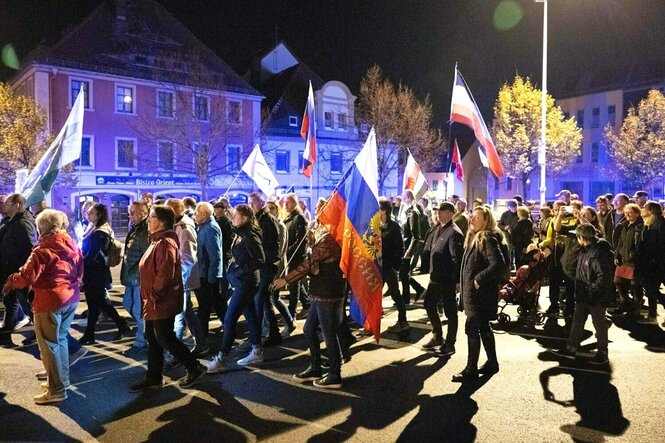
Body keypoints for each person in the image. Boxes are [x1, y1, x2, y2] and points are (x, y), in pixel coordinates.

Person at [2, 210, 83, 404]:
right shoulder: (70, 243)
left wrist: (10, 282)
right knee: (60, 341)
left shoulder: (42, 249)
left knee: (49, 345)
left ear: (43, 227)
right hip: (70, 298)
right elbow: (80, 271)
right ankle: (60, 381)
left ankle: (57, 389)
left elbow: (27, 276)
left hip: (49, 301)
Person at [129, 205, 206, 392]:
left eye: (152, 217)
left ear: (162, 221)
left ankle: (194, 366)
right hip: (153, 300)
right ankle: (154, 377)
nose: (149, 220)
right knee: (153, 337)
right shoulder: (158, 240)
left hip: (160, 301)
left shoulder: (165, 243)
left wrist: (154, 294)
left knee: (164, 337)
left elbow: (165, 272)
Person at [271, 221, 346, 389]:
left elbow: (308, 263)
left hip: (328, 292)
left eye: (321, 213)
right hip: (320, 292)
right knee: (308, 329)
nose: (317, 218)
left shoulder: (330, 240)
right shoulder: (323, 237)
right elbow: (312, 261)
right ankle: (315, 367)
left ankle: (335, 374)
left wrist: (286, 279)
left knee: (329, 334)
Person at [206, 204, 265, 372]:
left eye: (235, 216)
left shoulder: (250, 235)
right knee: (251, 315)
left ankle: (221, 359)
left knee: (229, 319)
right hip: (241, 281)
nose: (232, 218)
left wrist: (239, 270)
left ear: (244, 218)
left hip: (246, 283)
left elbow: (259, 260)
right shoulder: (240, 232)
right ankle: (257, 351)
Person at [453, 206, 505, 382]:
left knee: (472, 328)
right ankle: (492, 362)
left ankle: (471, 369)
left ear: (486, 220)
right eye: (471, 217)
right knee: (483, 327)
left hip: (480, 295)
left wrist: (478, 280)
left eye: (476, 217)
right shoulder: (474, 237)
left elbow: (498, 264)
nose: (471, 220)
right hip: (475, 293)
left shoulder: (487, 238)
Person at [550, 224, 614, 365]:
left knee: (599, 325)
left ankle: (602, 353)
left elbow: (603, 277)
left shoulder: (596, 254)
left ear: (581, 238)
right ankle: (571, 349)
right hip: (583, 294)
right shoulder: (586, 250)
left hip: (595, 297)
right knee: (577, 322)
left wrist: (591, 290)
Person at [79, 204, 130, 344]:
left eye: (91, 213)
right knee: (97, 304)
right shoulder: (97, 229)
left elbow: (91, 255)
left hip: (95, 273)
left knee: (97, 303)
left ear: (99, 215)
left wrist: (78, 265)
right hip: (96, 272)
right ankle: (117, 326)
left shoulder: (100, 233)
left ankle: (118, 325)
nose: (88, 215)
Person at [422, 202, 464, 356]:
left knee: (450, 312)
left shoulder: (454, 232)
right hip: (436, 276)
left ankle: (450, 343)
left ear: (451, 213)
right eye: (438, 211)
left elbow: (456, 259)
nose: (438, 213)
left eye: (442, 211)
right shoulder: (438, 228)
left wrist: (457, 282)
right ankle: (437, 336)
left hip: (447, 279)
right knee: (429, 304)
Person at [166, 199, 207, 356]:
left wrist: (178, 278)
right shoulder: (177, 225)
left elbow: (188, 257)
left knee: (178, 315)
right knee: (187, 312)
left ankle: (174, 353)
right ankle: (201, 343)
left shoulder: (184, 227)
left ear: (176, 210)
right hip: (179, 278)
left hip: (181, 279)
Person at [0, 194, 38, 340]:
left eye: (7, 203)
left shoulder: (23, 222)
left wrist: (25, 273)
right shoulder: (10, 220)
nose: (4, 205)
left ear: (16, 205)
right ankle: (6, 334)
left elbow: (31, 249)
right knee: (10, 302)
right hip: (10, 271)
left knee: (27, 304)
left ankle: (41, 332)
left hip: (19, 272)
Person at [248, 192, 283, 348]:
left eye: (253, 203)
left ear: (261, 204)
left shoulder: (267, 220)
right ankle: (273, 333)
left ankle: (259, 336)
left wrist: (261, 261)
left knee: (260, 301)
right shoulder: (260, 219)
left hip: (266, 267)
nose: (250, 206)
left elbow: (272, 247)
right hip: (264, 266)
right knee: (265, 301)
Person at [120, 201, 150, 353]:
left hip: (138, 277)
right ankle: (146, 333)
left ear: (143, 213)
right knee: (127, 304)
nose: (129, 215)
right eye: (130, 212)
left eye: (133, 212)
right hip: (131, 275)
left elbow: (146, 256)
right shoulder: (136, 228)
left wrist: (140, 274)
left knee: (138, 310)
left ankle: (141, 341)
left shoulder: (145, 231)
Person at [265, 198, 296, 336]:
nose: (270, 210)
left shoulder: (280, 225)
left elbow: (281, 249)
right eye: (268, 208)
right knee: (272, 298)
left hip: (276, 268)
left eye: (272, 208)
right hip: (269, 267)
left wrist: (278, 272)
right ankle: (288, 323)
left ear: (277, 210)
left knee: (274, 298)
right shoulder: (268, 223)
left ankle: (289, 322)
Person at [194, 202, 224, 337]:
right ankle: (228, 327)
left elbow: (215, 255)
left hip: (207, 276)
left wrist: (212, 278)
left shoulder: (210, 228)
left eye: (197, 212)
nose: (195, 214)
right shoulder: (203, 226)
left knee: (205, 309)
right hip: (204, 274)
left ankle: (203, 338)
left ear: (205, 214)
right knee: (215, 304)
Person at [379, 200, 407, 333]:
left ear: (384, 210)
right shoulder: (376, 226)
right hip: (378, 267)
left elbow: (400, 247)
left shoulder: (394, 227)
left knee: (395, 294)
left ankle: (403, 321)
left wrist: (396, 266)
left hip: (389, 267)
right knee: (375, 294)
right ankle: (373, 321)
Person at [636, 201, 665, 325]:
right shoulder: (647, 224)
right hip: (649, 263)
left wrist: (655, 259)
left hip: (658, 263)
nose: (642, 210)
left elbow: (659, 245)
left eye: (644, 208)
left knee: (652, 289)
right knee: (649, 289)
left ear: (651, 210)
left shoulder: (661, 225)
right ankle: (652, 315)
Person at [613, 203, 644, 318]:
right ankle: (625, 303)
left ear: (637, 213)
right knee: (618, 281)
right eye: (626, 213)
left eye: (630, 212)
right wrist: (617, 256)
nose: (627, 215)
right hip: (623, 258)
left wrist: (635, 256)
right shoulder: (625, 225)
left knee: (635, 285)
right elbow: (620, 242)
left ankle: (636, 308)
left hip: (634, 260)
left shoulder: (641, 226)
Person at [283, 193, 310, 318]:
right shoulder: (289, 218)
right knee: (296, 282)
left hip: (296, 256)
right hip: (290, 255)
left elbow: (301, 240)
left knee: (294, 284)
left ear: (294, 203)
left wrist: (288, 251)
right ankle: (307, 304)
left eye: (288, 202)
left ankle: (291, 312)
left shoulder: (299, 218)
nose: (285, 205)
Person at [399, 189, 426, 304]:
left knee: (403, 274)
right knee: (403, 274)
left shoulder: (413, 213)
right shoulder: (406, 211)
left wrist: (408, 252)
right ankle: (415, 291)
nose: (402, 200)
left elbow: (415, 235)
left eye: (404, 197)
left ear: (409, 198)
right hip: (403, 246)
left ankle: (407, 297)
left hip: (407, 247)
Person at [498, 199, 519, 270]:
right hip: (508, 237)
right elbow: (500, 225)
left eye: (515, 206)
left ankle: (517, 266)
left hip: (518, 237)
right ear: (509, 207)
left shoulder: (519, 213)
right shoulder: (505, 214)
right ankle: (510, 266)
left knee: (517, 253)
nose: (514, 208)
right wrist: (504, 227)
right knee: (509, 252)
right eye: (512, 207)